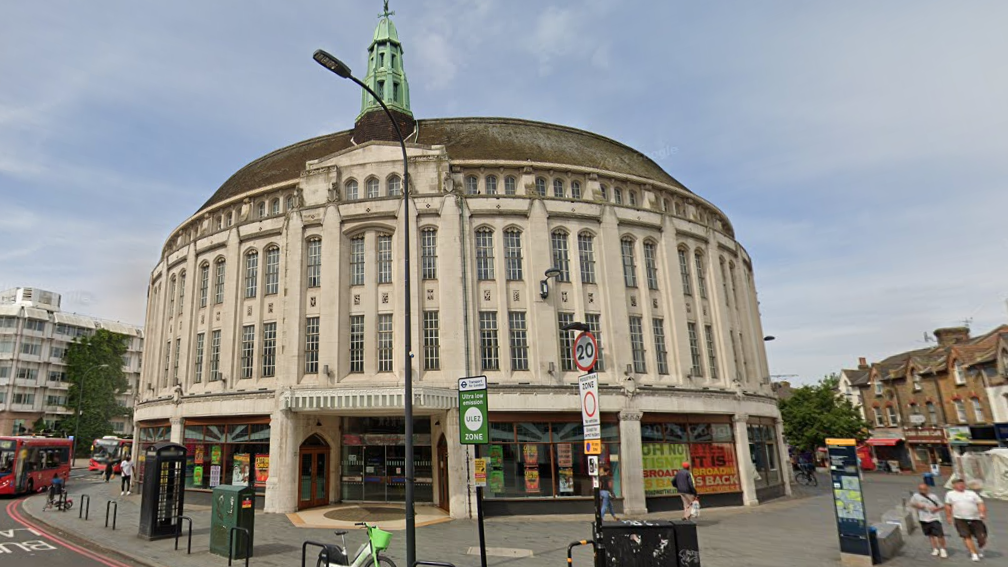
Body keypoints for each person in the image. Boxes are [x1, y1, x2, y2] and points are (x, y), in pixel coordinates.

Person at [945, 478, 987, 562]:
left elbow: (980, 503)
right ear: (954, 486)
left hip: (975, 518)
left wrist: (982, 513)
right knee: (966, 536)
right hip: (960, 518)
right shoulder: (950, 494)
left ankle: (981, 547)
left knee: (981, 536)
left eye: (962, 484)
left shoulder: (971, 493)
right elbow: (948, 506)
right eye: (959, 484)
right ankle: (974, 553)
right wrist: (949, 516)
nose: (961, 486)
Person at [910, 482, 947, 558]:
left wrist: (936, 509)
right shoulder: (916, 496)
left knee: (940, 535)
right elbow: (912, 504)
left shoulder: (933, 496)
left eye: (924, 489)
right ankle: (935, 548)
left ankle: (943, 549)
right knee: (930, 535)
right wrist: (918, 506)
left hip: (934, 518)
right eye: (921, 489)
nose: (922, 490)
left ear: (927, 489)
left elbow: (942, 506)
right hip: (923, 518)